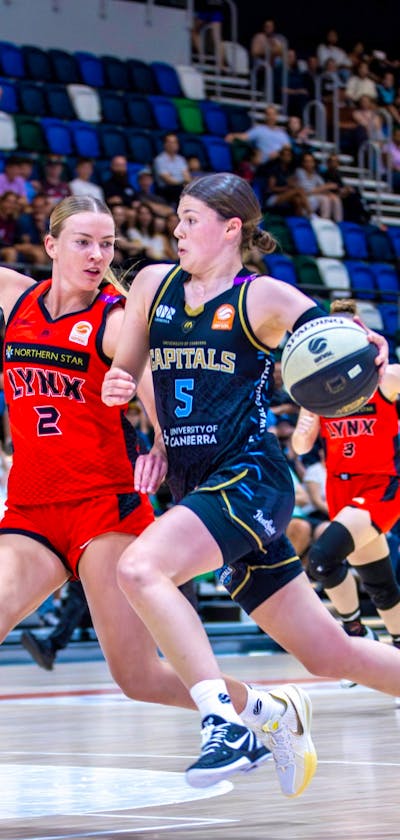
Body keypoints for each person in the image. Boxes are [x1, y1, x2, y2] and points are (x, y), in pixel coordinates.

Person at [0, 193, 318, 801]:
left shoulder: (118, 320)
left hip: (105, 508)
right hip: (33, 510)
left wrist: (163, 447)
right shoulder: (17, 299)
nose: (98, 255)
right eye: (83, 242)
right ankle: (269, 709)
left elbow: (161, 389)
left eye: (108, 244)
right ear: (50, 246)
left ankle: (267, 708)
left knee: (139, 677)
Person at [101, 172, 400, 791]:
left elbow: (339, 338)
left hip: (249, 478)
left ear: (230, 228)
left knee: (141, 568)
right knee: (328, 653)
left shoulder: (262, 297)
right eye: (177, 218)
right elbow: (132, 368)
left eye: (190, 219)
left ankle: (226, 725)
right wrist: (140, 414)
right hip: (195, 485)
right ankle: (276, 713)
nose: (175, 230)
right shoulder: (154, 284)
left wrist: (371, 342)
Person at [292, 297, 400, 689]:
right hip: (340, 488)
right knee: (381, 583)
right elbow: (302, 448)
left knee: (322, 560)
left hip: (378, 486)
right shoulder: (319, 391)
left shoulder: (383, 377)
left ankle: (356, 636)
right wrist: (307, 410)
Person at [153, 133, 191, 208]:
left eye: (175, 142)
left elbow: (187, 176)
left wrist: (187, 184)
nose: (173, 145)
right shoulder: (159, 160)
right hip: (166, 189)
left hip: (181, 186)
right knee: (181, 191)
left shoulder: (181, 159)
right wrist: (183, 184)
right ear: (165, 144)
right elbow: (168, 180)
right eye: (170, 142)